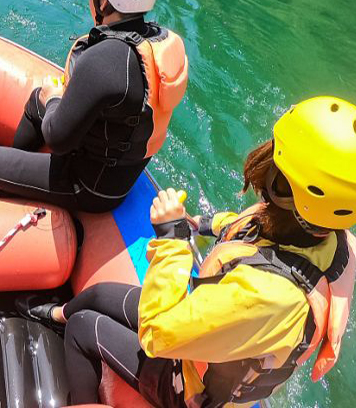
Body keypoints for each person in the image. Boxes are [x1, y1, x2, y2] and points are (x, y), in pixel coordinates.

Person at [18, 96, 356, 407]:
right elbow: (248, 229)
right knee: (98, 296)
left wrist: (172, 238)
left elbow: (157, 334)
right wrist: (201, 224)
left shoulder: (272, 298)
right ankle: (55, 315)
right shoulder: (315, 232)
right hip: (211, 326)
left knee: (84, 328)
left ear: (284, 189)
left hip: (192, 388)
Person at [0, 0, 188, 213]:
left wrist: (53, 97)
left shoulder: (104, 59)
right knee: (35, 101)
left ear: (103, 3)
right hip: (118, 169)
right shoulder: (154, 40)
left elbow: (58, 139)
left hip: (91, 187)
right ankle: (21, 164)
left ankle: (3, 188)